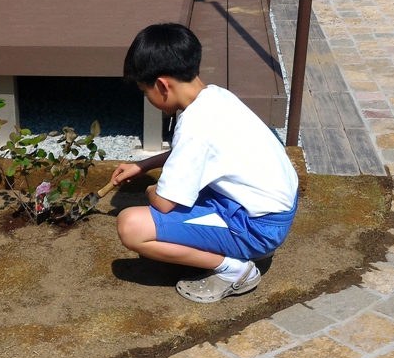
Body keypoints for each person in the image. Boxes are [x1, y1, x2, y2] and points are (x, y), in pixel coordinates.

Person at [111, 23, 298, 303]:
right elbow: (195, 153)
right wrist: (144, 165)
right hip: (274, 207)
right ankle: (238, 248)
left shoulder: (194, 126)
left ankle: (234, 270)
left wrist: (151, 191)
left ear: (162, 85)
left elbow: (164, 203)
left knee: (131, 225)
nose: (146, 98)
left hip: (259, 226)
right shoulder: (217, 96)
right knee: (176, 199)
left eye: (144, 91)